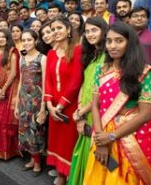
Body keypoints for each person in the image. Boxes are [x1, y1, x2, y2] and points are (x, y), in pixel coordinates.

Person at [83, 22, 151, 184]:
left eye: (119, 40)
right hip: (102, 132)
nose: (113, 46)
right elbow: (95, 105)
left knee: (128, 178)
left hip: (132, 137)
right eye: (109, 41)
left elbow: (144, 115)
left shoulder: (144, 73)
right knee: (102, 175)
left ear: (130, 43)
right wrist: (101, 139)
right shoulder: (100, 70)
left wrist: (111, 136)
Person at [44, 18, 83, 185]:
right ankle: (60, 173)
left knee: (69, 142)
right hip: (54, 107)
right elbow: (48, 81)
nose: (55, 31)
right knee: (56, 141)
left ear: (68, 30)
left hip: (70, 106)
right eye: (52, 29)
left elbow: (76, 81)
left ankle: (69, 175)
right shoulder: (51, 54)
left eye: (59, 28)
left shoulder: (78, 50)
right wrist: (49, 106)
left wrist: (60, 106)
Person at [68, 17, 107, 185]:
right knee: (84, 152)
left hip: (100, 113)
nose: (90, 34)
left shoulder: (109, 57)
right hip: (84, 111)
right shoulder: (91, 56)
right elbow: (84, 85)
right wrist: (79, 111)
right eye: (87, 31)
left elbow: (102, 93)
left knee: (102, 156)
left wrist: (81, 112)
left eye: (94, 30)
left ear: (104, 31)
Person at [15, 29, 47, 176]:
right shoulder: (22, 58)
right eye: (24, 40)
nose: (26, 42)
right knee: (24, 130)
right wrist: (16, 104)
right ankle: (32, 159)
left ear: (36, 41)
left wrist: (43, 108)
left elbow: (46, 84)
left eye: (29, 40)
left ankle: (38, 162)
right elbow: (20, 81)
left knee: (35, 132)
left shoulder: (42, 58)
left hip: (36, 101)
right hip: (23, 100)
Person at [0, 29, 20, 160]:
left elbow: (13, 73)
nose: (1, 39)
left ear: (8, 38)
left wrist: (4, 88)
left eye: (3, 37)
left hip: (9, 89)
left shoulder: (12, 53)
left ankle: (9, 150)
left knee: (7, 121)